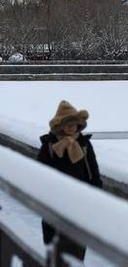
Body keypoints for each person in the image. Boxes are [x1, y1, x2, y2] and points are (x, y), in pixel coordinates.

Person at [37, 100, 102, 264]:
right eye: (68, 124)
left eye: (75, 124)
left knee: (78, 243)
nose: (72, 127)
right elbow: (40, 172)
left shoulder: (84, 144)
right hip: (54, 201)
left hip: (80, 201)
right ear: (60, 126)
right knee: (53, 243)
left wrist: (95, 193)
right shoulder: (49, 146)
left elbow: (93, 171)